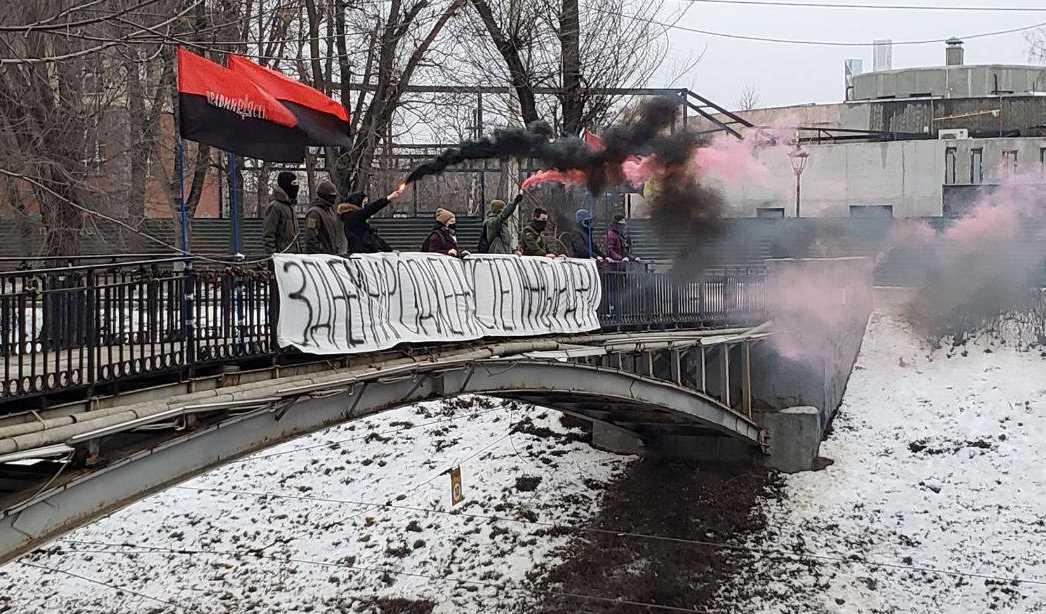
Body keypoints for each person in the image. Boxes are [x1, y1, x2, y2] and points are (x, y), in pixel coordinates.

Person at [338, 184, 406, 254]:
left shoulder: (355, 219)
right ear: (357, 202)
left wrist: (389, 250)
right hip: (362, 255)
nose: (365, 206)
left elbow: (373, 238)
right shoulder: (353, 217)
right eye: (364, 203)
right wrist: (388, 198)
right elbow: (371, 209)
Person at [262, 171, 300, 254]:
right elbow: (269, 236)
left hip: (293, 258)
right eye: (293, 184)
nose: (296, 188)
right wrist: (274, 258)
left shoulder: (290, 207)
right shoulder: (275, 207)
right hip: (281, 259)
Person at [304, 180, 344, 255]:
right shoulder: (314, 213)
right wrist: (320, 253)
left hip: (330, 255)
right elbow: (310, 238)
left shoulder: (330, 210)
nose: (334, 199)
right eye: (332, 196)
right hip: (320, 258)